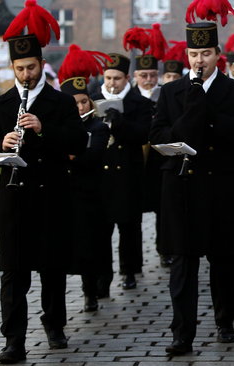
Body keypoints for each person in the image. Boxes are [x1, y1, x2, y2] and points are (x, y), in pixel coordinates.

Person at [0, 0, 87, 364]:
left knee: (52, 267)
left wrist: (43, 130)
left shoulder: (60, 102)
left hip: (52, 195)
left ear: (42, 65)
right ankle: (14, 339)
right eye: (20, 68)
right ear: (13, 67)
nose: (26, 74)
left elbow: (77, 143)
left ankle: (55, 324)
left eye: (32, 68)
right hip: (14, 198)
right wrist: (1, 143)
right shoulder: (1, 104)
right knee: (13, 272)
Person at [150, 15, 234, 352]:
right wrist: (184, 125)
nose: (199, 61)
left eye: (206, 54)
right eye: (194, 55)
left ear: (217, 54)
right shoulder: (171, 91)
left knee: (224, 259)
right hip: (181, 187)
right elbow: (157, 135)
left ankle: (225, 320)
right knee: (182, 262)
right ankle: (182, 333)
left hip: (221, 186)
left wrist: (210, 117)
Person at [89, 51, 154, 291]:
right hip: (102, 174)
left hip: (128, 173)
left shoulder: (140, 103)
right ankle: (101, 277)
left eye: (116, 78)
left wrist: (120, 123)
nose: (112, 83)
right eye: (108, 78)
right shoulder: (93, 99)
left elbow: (143, 134)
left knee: (129, 227)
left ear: (127, 78)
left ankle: (129, 271)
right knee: (101, 231)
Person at [56, 44, 113, 313]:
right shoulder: (59, 127)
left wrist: (69, 156)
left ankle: (91, 292)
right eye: (74, 103)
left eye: (83, 102)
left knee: (90, 247)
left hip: (90, 195)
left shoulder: (98, 127)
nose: (79, 107)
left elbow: (93, 157)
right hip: (65, 194)